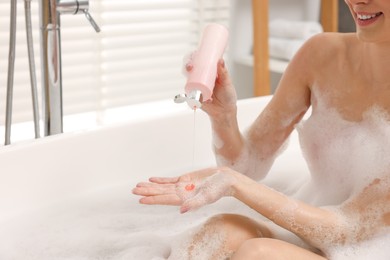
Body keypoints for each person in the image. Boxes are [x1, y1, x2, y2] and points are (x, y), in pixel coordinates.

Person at [133, 0, 390, 259]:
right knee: (219, 231)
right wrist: (224, 116)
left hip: (368, 245)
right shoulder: (321, 55)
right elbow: (249, 163)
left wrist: (234, 183)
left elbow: (352, 229)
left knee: (259, 254)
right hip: (328, 232)